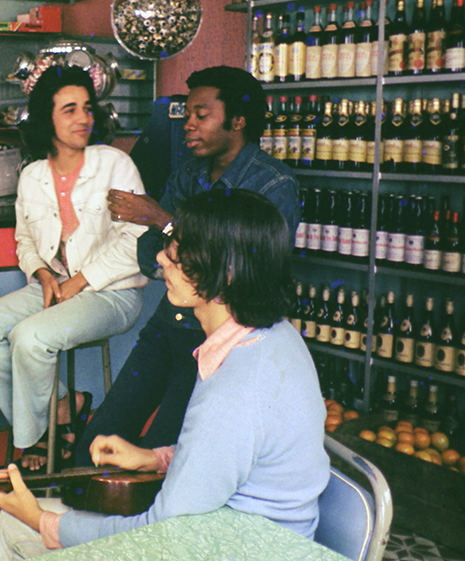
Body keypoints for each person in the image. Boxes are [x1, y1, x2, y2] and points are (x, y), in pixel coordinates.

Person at [0, 189, 330, 561]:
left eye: (177, 254)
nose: (160, 258)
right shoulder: (276, 338)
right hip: (262, 550)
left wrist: (43, 522)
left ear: (225, 274)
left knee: (14, 524)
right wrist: (155, 458)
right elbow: (233, 457)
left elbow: (162, 532)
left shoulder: (234, 389)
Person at [76, 65, 300, 463]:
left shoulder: (272, 184)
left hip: (216, 338)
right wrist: (173, 243)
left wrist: (163, 221)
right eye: (187, 115)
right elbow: (150, 254)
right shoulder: (190, 174)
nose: (188, 125)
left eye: (202, 115)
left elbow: (247, 273)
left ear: (238, 121)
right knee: (97, 440)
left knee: (162, 454)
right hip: (168, 324)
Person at [0, 65, 147, 471]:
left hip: (112, 292)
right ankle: (64, 406)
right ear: (47, 118)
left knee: (29, 337)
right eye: (70, 109)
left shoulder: (114, 164)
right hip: (57, 285)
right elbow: (25, 241)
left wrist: (80, 281)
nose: (83, 118)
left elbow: (137, 240)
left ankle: (40, 442)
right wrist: (43, 274)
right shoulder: (32, 175)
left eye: (87, 107)